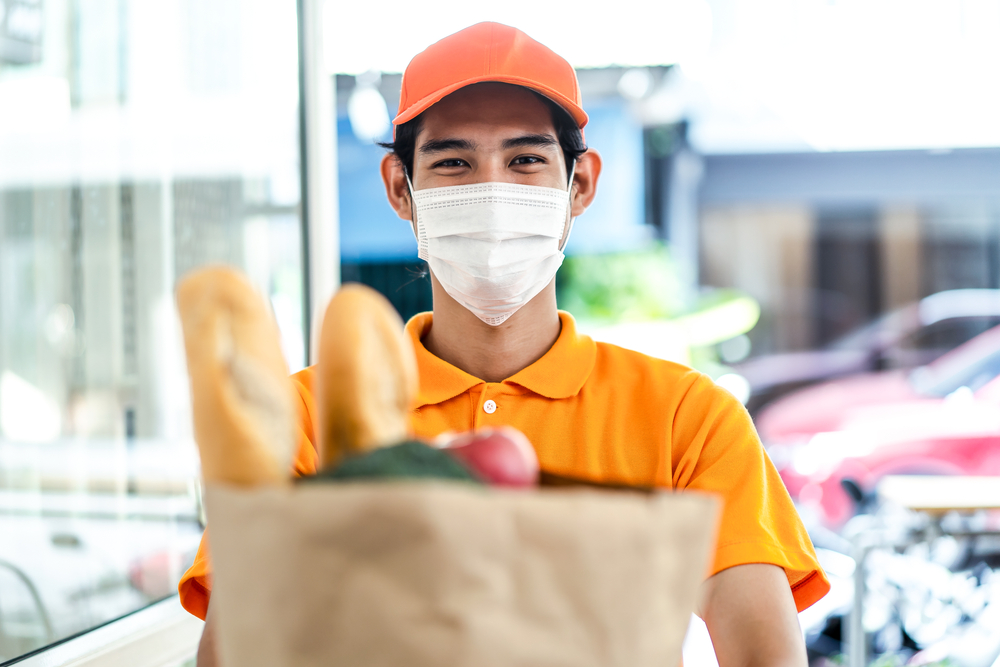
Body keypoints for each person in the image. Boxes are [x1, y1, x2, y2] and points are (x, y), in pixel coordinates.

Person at [181, 22, 829, 667]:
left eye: (525, 159)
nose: (491, 189)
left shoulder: (687, 419)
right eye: (453, 161)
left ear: (579, 185)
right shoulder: (305, 420)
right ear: (399, 187)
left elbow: (764, 657)